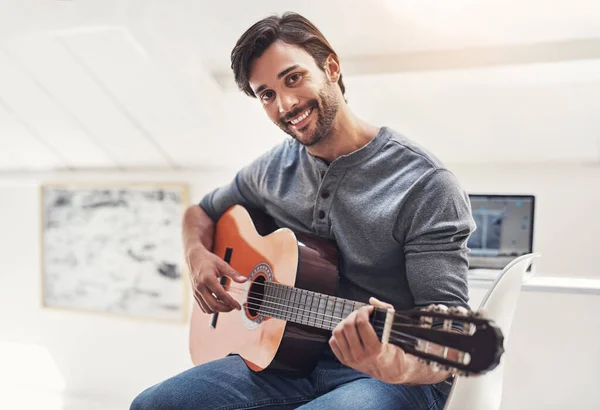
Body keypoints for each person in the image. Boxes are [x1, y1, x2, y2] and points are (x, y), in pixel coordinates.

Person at [131, 11, 475, 410]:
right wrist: (197, 258)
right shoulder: (273, 168)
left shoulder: (426, 184)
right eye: (267, 94)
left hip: (388, 378)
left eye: (293, 78)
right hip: (285, 362)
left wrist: (389, 362)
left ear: (331, 66)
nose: (286, 104)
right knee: (152, 405)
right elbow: (200, 212)